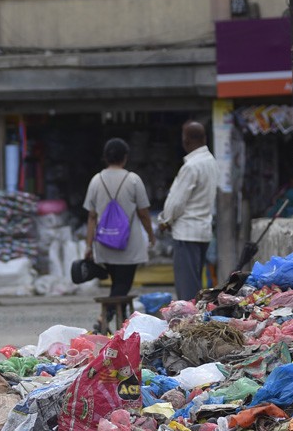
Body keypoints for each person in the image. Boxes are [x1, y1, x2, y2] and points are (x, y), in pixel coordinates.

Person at [83, 138, 156, 332]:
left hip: (104, 243)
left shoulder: (96, 180)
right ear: (125, 158)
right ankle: (103, 320)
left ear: (105, 157)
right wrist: (151, 235)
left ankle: (121, 324)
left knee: (118, 284)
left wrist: (88, 245)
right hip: (128, 244)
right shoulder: (133, 180)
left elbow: (91, 217)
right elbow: (143, 213)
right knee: (123, 285)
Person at [158, 120, 219, 301]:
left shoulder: (191, 166)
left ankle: (189, 324)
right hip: (202, 231)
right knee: (194, 286)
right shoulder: (210, 162)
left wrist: (164, 221)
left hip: (186, 232)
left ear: (185, 140)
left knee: (187, 290)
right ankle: (194, 322)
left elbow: (176, 202)